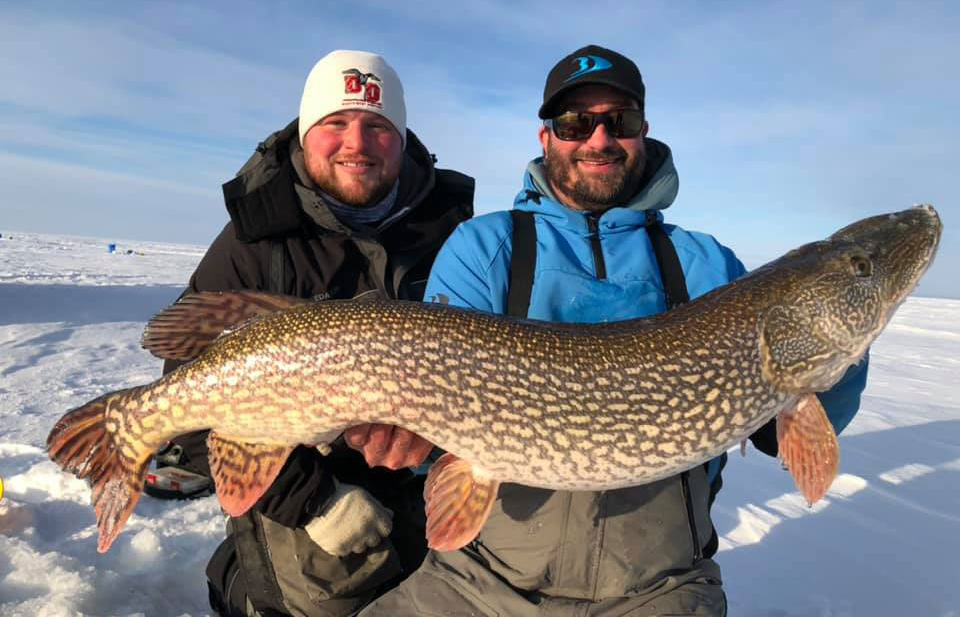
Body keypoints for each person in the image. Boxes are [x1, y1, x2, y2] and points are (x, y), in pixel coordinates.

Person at [358, 45, 869, 616]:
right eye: (575, 122)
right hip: (481, 583)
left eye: (617, 122)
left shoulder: (704, 263)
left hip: (659, 587)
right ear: (546, 135)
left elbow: (782, 433)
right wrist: (412, 439)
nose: (598, 140)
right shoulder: (485, 248)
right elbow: (441, 421)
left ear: (643, 132)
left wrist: (840, 358)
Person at [144, 49, 474, 617]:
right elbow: (190, 405)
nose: (357, 143)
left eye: (377, 126)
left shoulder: (455, 234)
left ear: (401, 138)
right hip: (309, 488)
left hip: (430, 478)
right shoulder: (253, 243)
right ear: (304, 133)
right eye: (335, 123)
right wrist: (315, 502)